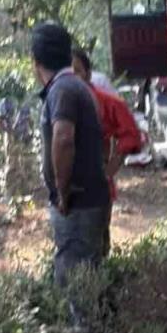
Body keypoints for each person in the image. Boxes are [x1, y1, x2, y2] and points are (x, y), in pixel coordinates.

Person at [30, 23, 110, 333]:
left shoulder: (62, 90)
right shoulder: (77, 87)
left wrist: (62, 192)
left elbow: (63, 139)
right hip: (91, 196)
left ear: (35, 61)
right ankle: (87, 332)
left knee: (74, 271)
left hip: (77, 201)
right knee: (85, 266)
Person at [71, 48, 143, 255]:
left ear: (88, 73)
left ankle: (102, 281)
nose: (72, 77)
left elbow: (130, 135)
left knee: (98, 241)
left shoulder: (107, 103)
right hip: (67, 188)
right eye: (67, 72)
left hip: (97, 186)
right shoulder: (56, 103)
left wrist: (110, 169)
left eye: (77, 71)